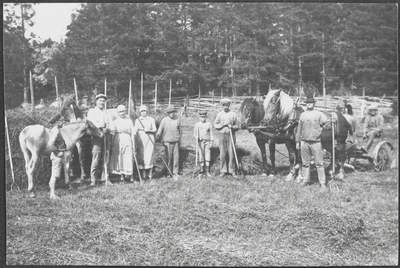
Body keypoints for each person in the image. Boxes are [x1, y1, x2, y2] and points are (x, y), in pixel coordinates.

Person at [295, 96, 329, 192]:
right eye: (308, 103)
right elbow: (299, 129)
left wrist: (329, 123)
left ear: (314, 104)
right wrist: (297, 141)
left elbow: (326, 124)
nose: (309, 104)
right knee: (305, 163)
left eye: (311, 103)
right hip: (304, 142)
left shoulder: (319, 114)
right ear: (306, 104)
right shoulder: (303, 115)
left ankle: (322, 183)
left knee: (319, 163)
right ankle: (306, 180)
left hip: (316, 142)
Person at [87, 94, 115, 186]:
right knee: (96, 156)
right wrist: (99, 128)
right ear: (96, 101)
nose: (102, 102)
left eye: (103, 101)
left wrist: (110, 129)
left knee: (106, 156)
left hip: (107, 135)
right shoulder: (92, 112)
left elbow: (111, 124)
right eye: (100, 101)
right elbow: (90, 123)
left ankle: (105, 178)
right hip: (97, 136)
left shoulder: (107, 112)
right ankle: (93, 180)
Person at [108, 105, 137, 182]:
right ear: (118, 113)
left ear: (125, 111)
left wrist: (133, 144)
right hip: (118, 139)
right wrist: (112, 143)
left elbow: (132, 133)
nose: (122, 113)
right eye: (120, 112)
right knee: (120, 157)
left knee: (128, 157)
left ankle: (130, 176)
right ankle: (121, 176)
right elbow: (113, 133)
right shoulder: (115, 121)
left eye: (123, 111)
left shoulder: (129, 121)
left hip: (127, 138)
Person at [214, 98, 240, 177]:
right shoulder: (219, 114)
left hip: (230, 135)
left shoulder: (233, 114)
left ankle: (232, 171)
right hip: (222, 135)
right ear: (222, 106)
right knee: (222, 153)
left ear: (229, 105)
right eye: (224, 105)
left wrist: (231, 126)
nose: (225, 107)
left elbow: (238, 126)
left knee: (231, 153)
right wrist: (222, 124)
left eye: (227, 105)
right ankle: (223, 171)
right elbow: (215, 125)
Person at [156, 104, 181, 180]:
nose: (172, 114)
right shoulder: (164, 120)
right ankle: (168, 172)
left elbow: (180, 131)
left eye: (173, 112)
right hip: (167, 141)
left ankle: (175, 172)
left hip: (176, 141)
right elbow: (160, 130)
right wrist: (156, 138)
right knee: (169, 157)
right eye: (170, 112)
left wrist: (180, 140)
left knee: (176, 157)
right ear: (168, 113)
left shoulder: (177, 120)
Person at [135, 105, 157, 180]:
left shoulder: (151, 119)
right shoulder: (138, 120)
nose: (143, 112)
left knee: (150, 155)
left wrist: (149, 130)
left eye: (144, 111)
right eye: (142, 111)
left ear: (147, 111)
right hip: (141, 138)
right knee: (142, 155)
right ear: (140, 112)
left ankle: (150, 174)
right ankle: (143, 174)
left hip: (150, 138)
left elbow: (155, 130)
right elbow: (135, 131)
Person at [194, 110, 214, 177]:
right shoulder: (197, 124)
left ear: (206, 117)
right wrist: (196, 136)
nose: (203, 118)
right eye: (201, 117)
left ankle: (208, 172)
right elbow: (194, 133)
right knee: (201, 157)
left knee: (207, 156)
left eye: (204, 117)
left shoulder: (208, 124)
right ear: (199, 117)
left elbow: (211, 134)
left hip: (207, 142)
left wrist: (211, 142)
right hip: (200, 143)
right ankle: (202, 171)